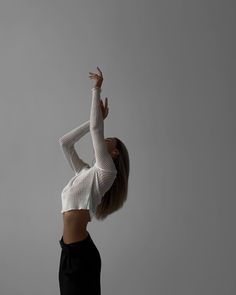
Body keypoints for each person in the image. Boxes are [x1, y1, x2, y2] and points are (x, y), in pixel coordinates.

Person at [58, 66, 130, 295]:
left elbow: (97, 129)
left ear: (116, 153)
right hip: (69, 253)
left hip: (80, 256)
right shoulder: (85, 173)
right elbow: (65, 143)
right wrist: (92, 121)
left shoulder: (107, 172)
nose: (104, 138)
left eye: (110, 140)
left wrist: (96, 89)